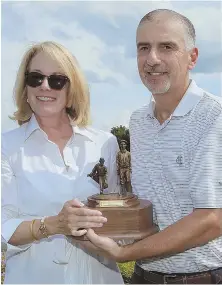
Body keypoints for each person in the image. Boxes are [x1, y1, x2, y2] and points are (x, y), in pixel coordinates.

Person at [81, 9, 222, 284]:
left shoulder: (214, 116)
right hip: (144, 277)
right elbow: (150, 205)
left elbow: (211, 219)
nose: (152, 59)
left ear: (192, 57)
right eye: (143, 48)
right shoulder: (139, 121)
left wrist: (126, 253)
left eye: (166, 47)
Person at [1, 41, 123, 284]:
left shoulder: (105, 143)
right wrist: (55, 225)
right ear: (25, 87)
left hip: (99, 277)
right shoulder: (6, 147)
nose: (44, 86)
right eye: (35, 78)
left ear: (72, 89)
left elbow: (119, 215)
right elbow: (4, 228)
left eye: (57, 80)